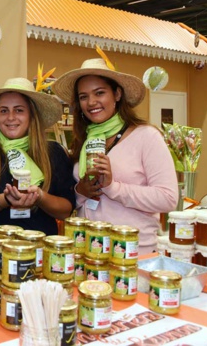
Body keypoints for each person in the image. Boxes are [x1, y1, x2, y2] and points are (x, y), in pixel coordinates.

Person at [52, 57, 178, 254]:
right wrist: (81, 190)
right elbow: (77, 200)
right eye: (83, 96)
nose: (91, 102)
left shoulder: (146, 136)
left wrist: (113, 188)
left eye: (99, 93)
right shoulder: (85, 140)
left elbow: (168, 198)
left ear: (117, 94)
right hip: (88, 251)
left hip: (132, 253)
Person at [0, 78, 75, 234]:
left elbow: (65, 211)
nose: (11, 117)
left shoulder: (53, 154)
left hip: (40, 250)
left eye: (19, 110)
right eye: (4, 110)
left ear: (32, 115)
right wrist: (4, 199)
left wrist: (40, 197)